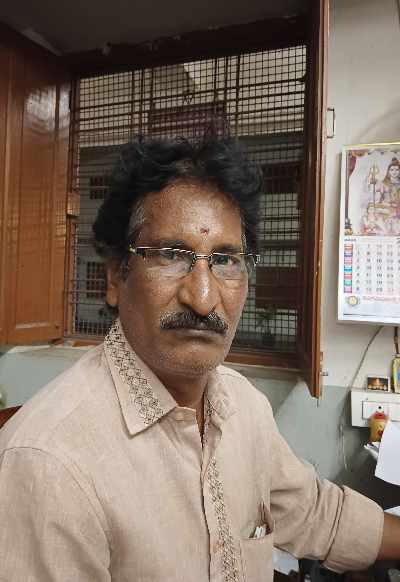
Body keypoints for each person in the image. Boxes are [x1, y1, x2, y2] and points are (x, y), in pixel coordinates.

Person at [0, 137, 399, 581]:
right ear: (115, 277)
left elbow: (313, 512)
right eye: (171, 255)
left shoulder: (243, 406)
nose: (204, 298)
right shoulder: (48, 464)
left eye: (226, 260)